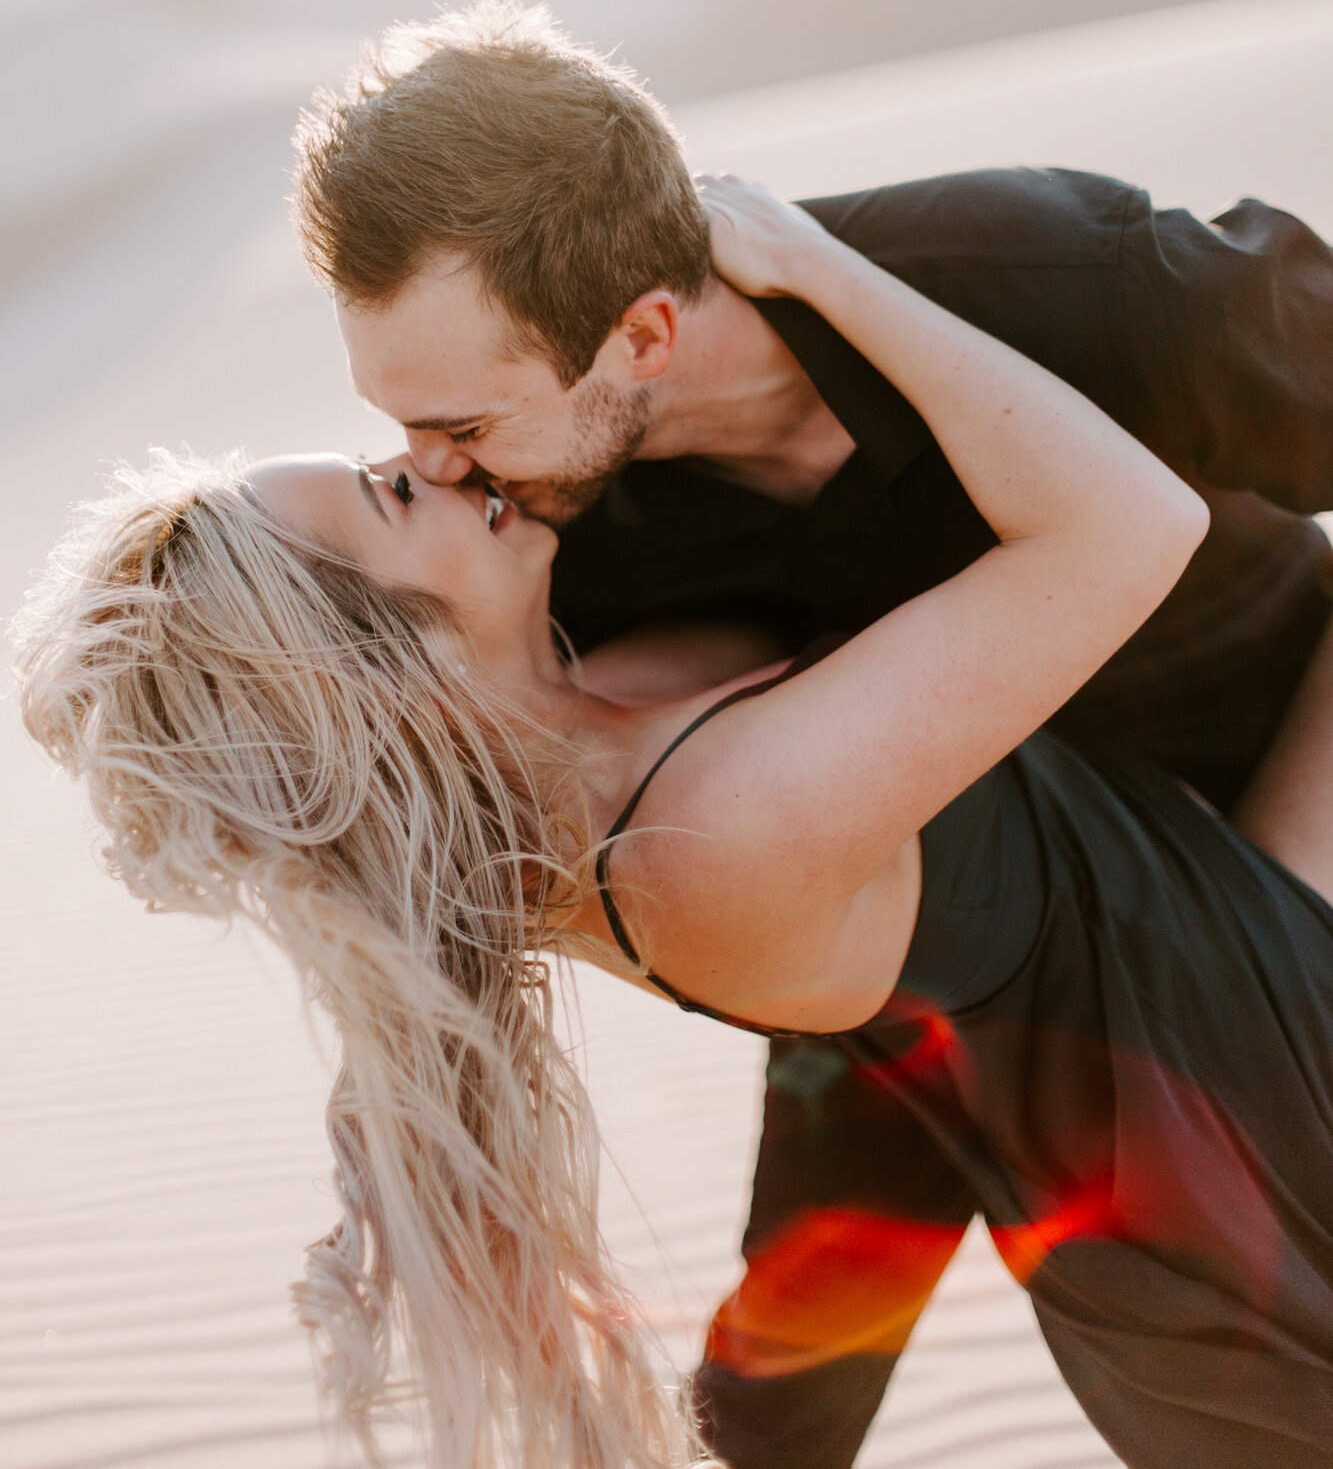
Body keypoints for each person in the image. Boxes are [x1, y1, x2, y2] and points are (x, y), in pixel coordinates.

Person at [14, 178, 1333, 1469]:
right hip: (1266, 1126)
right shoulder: (698, 841)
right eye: (388, 495)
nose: (427, 459)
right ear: (379, 675)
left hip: (1225, 960)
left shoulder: (585, 688)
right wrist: (821, 266)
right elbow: (1121, 526)